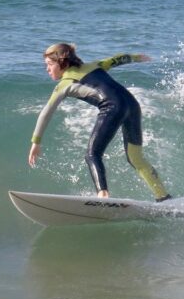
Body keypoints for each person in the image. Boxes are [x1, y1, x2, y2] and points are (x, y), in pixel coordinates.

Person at [28, 43, 172, 202]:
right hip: (132, 105)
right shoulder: (94, 65)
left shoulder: (64, 84)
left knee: (92, 155)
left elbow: (46, 112)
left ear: (62, 63)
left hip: (113, 108)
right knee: (135, 158)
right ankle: (163, 196)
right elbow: (116, 59)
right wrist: (136, 57)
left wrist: (36, 142)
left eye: (49, 64)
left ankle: (103, 195)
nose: (47, 69)